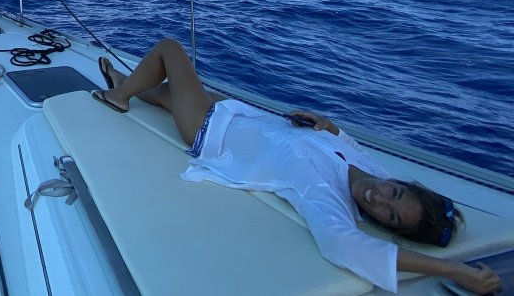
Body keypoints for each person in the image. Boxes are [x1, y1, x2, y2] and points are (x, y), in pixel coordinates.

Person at [92, 37, 502, 295]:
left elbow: (346, 247)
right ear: (400, 182)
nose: (377, 198)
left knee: (169, 50)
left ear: (386, 226)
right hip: (244, 118)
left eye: (388, 215)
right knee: (166, 93)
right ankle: (124, 81)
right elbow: (347, 142)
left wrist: (454, 271)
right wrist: (327, 125)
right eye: (395, 193)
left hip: (209, 133)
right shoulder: (369, 167)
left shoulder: (328, 201)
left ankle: (120, 95)